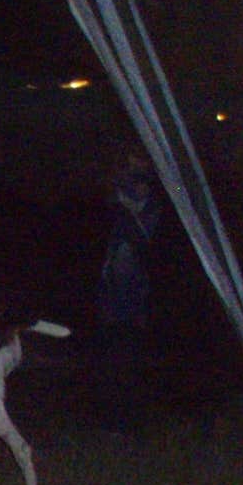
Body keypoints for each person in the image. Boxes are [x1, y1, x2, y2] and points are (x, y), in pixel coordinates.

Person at [95, 151, 163, 429]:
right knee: (112, 358)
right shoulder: (117, 207)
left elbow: (143, 241)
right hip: (113, 297)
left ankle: (127, 418)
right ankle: (112, 417)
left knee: (129, 358)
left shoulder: (149, 209)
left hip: (134, 299)